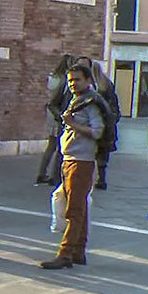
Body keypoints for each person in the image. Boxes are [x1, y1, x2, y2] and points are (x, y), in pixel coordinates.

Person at [42, 64, 105, 270]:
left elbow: (97, 131)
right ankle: (78, 251)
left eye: (77, 79)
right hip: (70, 159)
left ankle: (66, 252)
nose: (72, 83)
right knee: (80, 208)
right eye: (70, 80)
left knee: (74, 209)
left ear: (88, 80)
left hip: (82, 161)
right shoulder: (78, 100)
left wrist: (71, 122)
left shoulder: (91, 103)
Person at [38, 54, 74, 186]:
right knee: (57, 145)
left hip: (50, 111)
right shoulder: (64, 80)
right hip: (58, 111)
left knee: (51, 144)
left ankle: (42, 172)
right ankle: (53, 174)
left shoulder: (52, 77)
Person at [87, 61, 119, 190]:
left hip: (95, 122)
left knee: (91, 151)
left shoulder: (92, 87)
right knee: (103, 153)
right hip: (108, 123)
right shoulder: (107, 83)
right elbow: (114, 105)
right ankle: (101, 178)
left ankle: (92, 177)